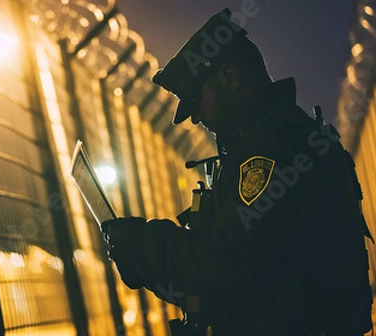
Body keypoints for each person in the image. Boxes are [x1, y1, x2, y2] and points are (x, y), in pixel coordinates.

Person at [101, 8, 374, 336]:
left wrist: (143, 243)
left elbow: (219, 265)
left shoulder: (273, 149)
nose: (197, 117)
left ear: (230, 77)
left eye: (196, 100)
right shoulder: (287, 137)